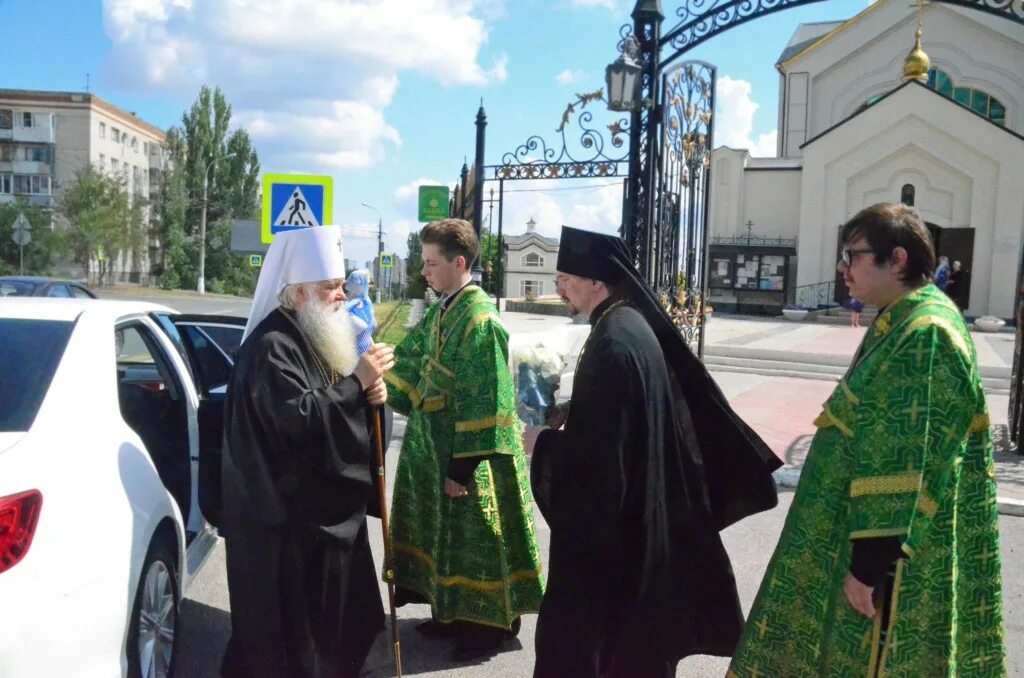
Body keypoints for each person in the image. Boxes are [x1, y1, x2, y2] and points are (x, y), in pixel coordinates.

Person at [729, 203, 1006, 676]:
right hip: (866, 536)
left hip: (891, 559)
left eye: (852, 255)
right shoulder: (902, 317)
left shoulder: (925, 333)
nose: (843, 269)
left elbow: (903, 456)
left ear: (896, 259)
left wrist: (869, 566)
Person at [523, 226, 782, 678]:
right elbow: (625, 416)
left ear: (596, 282)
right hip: (640, 529)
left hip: (614, 550)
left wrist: (542, 445)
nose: (559, 287)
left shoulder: (614, 341)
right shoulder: (624, 324)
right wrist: (571, 409)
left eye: (566, 277)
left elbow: (602, 466)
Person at [220, 225, 397, 678]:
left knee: (336, 644)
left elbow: (340, 404)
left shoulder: (315, 337)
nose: (342, 295)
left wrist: (373, 399)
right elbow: (297, 422)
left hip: (321, 522)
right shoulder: (271, 347)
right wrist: (356, 384)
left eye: (340, 286)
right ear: (298, 293)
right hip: (286, 530)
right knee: (292, 651)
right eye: (330, 287)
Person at [384, 218, 544, 662]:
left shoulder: (480, 320)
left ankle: (488, 627)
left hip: (474, 461)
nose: (424, 272)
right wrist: (373, 371)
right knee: (448, 539)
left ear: (459, 262)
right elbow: (412, 357)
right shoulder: (445, 308)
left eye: (431, 263)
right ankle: (451, 611)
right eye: (423, 262)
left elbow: (485, 399)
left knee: (479, 542)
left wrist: (461, 470)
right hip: (441, 452)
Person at [345, 269, 377, 356]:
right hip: (353, 362)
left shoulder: (366, 303)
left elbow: (367, 333)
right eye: (363, 283)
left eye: (367, 283)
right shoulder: (344, 308)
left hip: (368, 359)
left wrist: (374, 350)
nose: (366, 286)